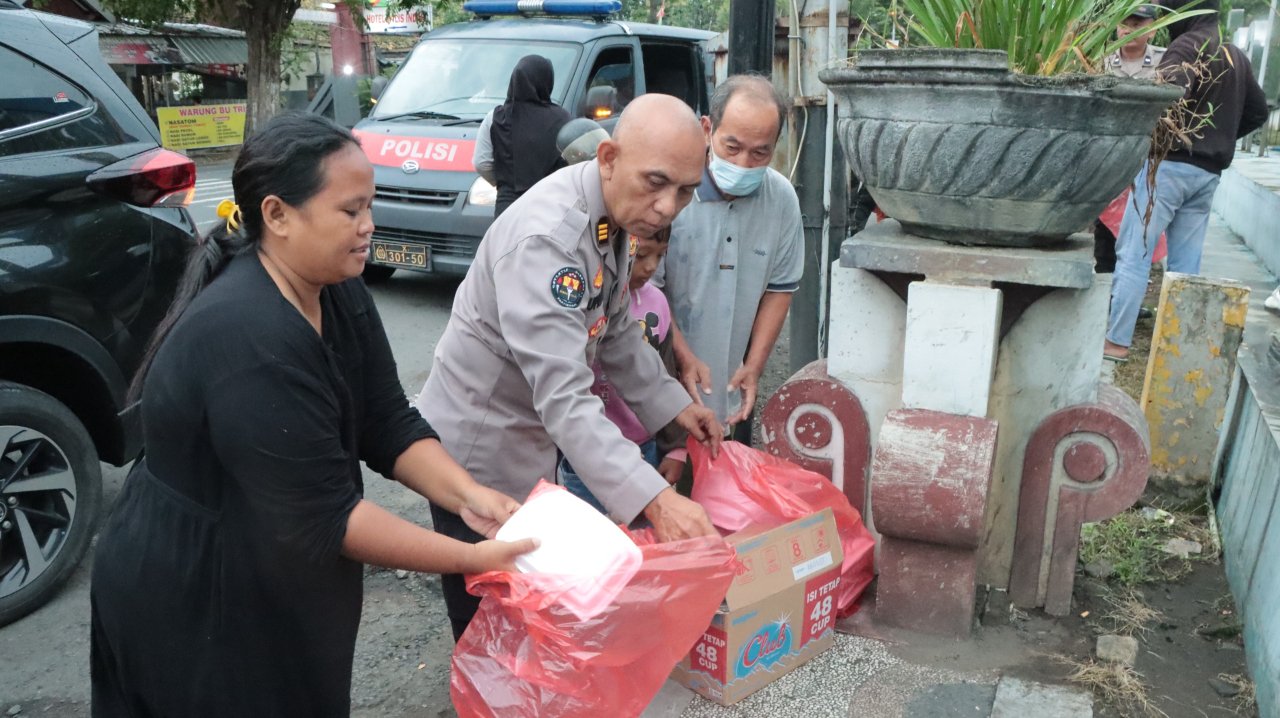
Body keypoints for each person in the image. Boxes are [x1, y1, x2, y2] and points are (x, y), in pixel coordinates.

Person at [90, 113, 535, 717]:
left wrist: (468, 496)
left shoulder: (336, 286)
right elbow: (330, 519)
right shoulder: (248, 336)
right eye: (350, 211)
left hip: (278, 555)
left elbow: (387, 421)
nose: (368, 227)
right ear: (277, 215)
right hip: (199, 586)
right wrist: (470, 558)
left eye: (369, 207)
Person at [415, 93, 725, 641]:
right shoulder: (550, 242)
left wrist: (675, 411)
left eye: (684, 190)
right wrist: (656, 500)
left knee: (535, 607)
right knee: (488, 612)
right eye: (656, 182)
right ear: (608, 158)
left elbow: (616, 330)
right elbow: (565, 396)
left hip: (532, 434)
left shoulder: (612, 214)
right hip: (480, 449)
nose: (668, 206)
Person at [1104, 0, 1268, 362]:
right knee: (1185, 266)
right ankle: (1174, 347)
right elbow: (1258, 110)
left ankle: (1116, 342)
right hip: (1208, 175)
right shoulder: (1234, 55)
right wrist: (1220, 138)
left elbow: (1165, 101)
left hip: (1168, 168)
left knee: (1135, 254)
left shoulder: (1186, 47)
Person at [657, 74, 804, 444]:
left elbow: (779, 289)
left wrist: (753, 367)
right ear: (708, 129)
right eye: (732, 147)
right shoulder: (673, 193)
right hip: (659, 382)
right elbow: (646, 290)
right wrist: (682, 356)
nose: (743, 163)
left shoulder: (781, 199)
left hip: (731, 390)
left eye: (760, 153)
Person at [558, 227, 690, 511]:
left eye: (660, 256)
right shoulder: (589, 301)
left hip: (647, 445)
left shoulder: (657, 303)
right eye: (641, 255)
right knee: (587, 529)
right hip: (591, 450)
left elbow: (665, 375)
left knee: (646, 531)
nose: (650, 266)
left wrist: (676, 447)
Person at [1095, 4, 1167, 274]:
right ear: (1116, 27)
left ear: (1152, 30)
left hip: (1147, 159)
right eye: (1126, 24)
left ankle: (1131, 296)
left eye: (1139, 25)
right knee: (1105, 232)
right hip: (1109, 160)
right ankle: (1107, 295)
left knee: (1141, 229)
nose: (1130, 30)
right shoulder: (1101, 61)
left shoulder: (1165, 60)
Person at [472, 55, 571, 216]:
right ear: (546, 81)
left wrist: (505, 184)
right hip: (550, 207)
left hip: (508, 209)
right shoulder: (563, 119)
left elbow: (481, 163)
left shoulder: (495, 117)